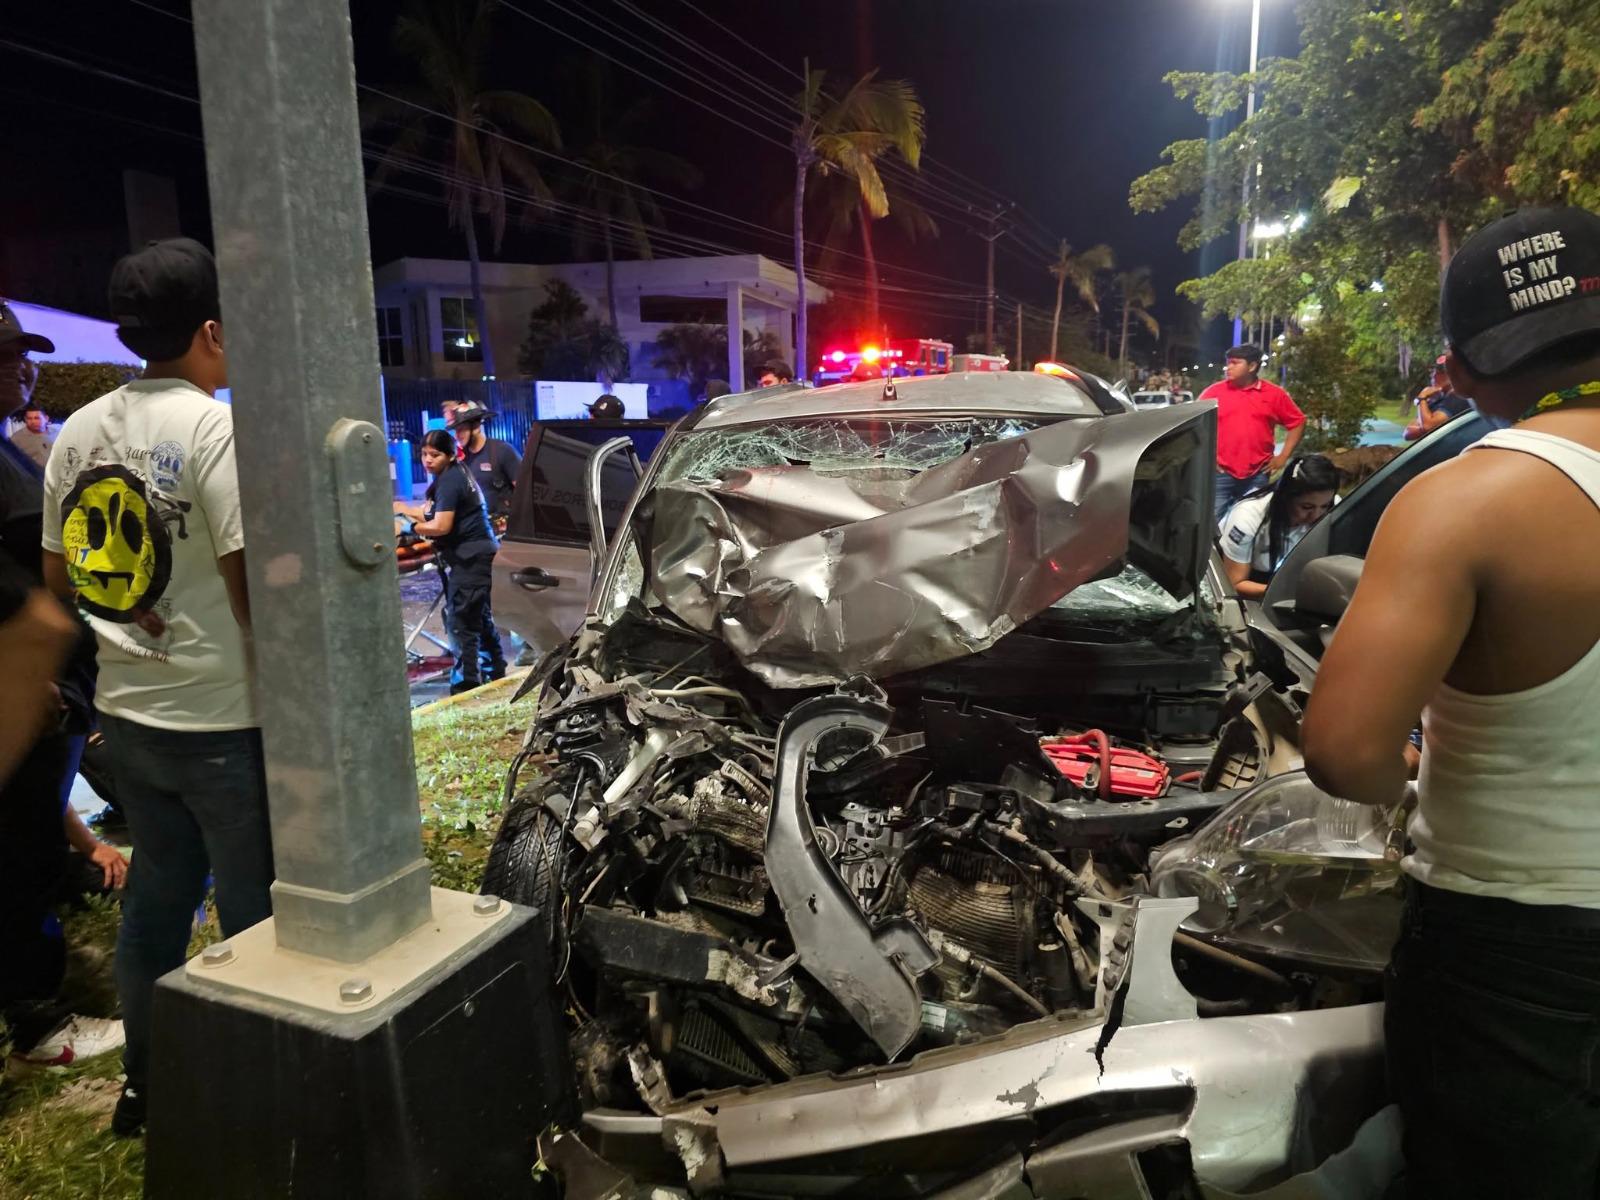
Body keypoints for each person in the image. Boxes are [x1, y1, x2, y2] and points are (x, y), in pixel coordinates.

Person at [1302, 206, 1600, 1197]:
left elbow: (1345, 753)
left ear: (1461, 369)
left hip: (1519, 961)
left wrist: (1412, 772)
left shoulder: (1462, 503)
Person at [41, 237, 274, 1136]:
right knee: (256, 917)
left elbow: (62, 580)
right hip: (228, 723)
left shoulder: (76, 430)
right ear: (211, 330)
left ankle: (147, 1083)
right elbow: (255, 596)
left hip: (130, 720)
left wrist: (142, 606)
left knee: (156, 903)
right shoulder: (215, 430)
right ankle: (258, 1086)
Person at [0, 300, 127, 1072]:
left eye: (24, 352)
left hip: (52, 686)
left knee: (33, 841)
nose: (24, 366)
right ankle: (41, 1025)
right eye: (7, 355)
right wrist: (29, 678)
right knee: (17, 854)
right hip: (28, 688)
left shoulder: (12, 446)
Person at [395, 429, 506, 694]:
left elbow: (442, 525)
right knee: (478, 617)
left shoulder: (451, 480)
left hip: (471, 559)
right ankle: (496, 673)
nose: (427, 460)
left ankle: (465, 685)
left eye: (434, 455)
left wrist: (407, 528)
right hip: (479, 557)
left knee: (461, 623)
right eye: (423, 454)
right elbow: (431, 512)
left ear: (448, 455)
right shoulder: (454, 475)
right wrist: (404, 510)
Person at [1201, 345, 1306, 522]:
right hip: (1220, 473)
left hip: (1257, 474)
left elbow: (1298, 422)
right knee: (1212, 525)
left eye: (1235, 363)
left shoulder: (1274, 395)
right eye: (1228, 363)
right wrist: (1207, 456)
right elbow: (1197, 425)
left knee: (1250, 522)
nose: (1229, 367)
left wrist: (1283, 456)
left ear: (1252, 366)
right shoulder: (1214, 392)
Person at [1216, 454, 1339, 599]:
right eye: (1307, 507)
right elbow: (1235, 584)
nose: (1316, 515)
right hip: (1251, 582)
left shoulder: (1335, 507)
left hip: (1287, 581)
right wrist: (1291, 592)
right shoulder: (1247, 518)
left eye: (1324, 506)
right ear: (1285, 497)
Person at [446, 400, 520, 528]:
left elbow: (525, 492)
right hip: (476, 529)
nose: (457, 435)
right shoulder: (461, 459)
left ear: (476, 427)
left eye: (461, 429)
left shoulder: (502, 451)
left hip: (505, 530)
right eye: (456, 431)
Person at [1403, 353, 1472, 440]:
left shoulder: (1458, 398)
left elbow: (1427, 426)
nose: (1434, 375)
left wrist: (1422, 398)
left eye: (1441, 372)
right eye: (1434, 371)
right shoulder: (1438, 398)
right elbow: (1408, 431)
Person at [11, 402, 54, 469]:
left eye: (37, 418)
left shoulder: (57, 433)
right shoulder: (16, 439)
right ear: (25, 419)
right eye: (29, 418)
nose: (33, 422)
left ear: (46, 418)